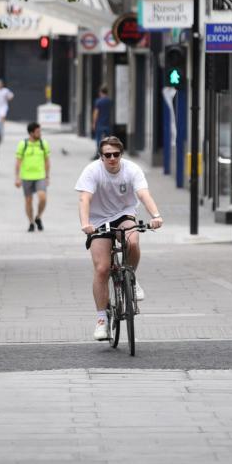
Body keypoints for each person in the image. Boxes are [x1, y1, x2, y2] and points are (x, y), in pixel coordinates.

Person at [75, 136, 163, 341]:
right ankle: (101, 321)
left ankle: (131, 279)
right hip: (97, 220)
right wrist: (85, 223)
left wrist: (156, 215)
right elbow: (84, 199)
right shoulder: (92, 171)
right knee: (102, 268)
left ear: (121, 155)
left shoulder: (132, 169)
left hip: (124, 214)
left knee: (133, 240)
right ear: (101, 156)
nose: (112, 158)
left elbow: (143, 194)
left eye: (116, 154)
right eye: (108, 155)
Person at [15, 122, 51, 232]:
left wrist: (47, 176)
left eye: (40, 131)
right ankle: (31, 222)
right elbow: (18, 162)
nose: (40, 133)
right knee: (28, 200)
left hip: (40, 176)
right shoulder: (23, 144)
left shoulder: (43, 144)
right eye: (38, 132)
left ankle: (38, 217)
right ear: (31, 133)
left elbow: (47, 161)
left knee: (42, 198)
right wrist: (17, 177)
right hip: (26, 177)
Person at [91, 85, 112, 157]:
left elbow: (96, 113)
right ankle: (107, 153)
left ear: (100, 92)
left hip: (100, 123)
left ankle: (98, 154)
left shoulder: (98, 101)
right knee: (108, 140)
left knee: (98, 139)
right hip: (107, 123)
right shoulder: (109, 101)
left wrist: (93, 123)